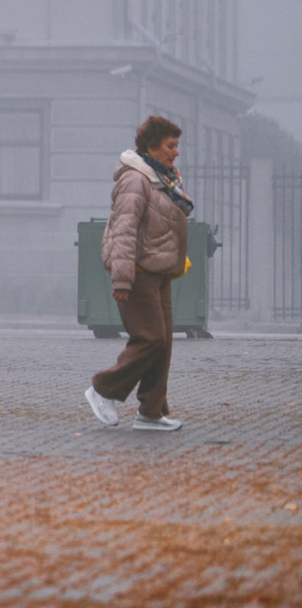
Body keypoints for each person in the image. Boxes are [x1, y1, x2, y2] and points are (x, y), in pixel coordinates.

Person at [85, 115, 194, 432]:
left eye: (176, 146)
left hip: (159, 271)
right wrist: (121, 280)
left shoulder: (163, 179)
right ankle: (102, 390)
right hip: (138, 271)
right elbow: (123, 232)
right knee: (150, 338)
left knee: (163, 344)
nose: (175, 152)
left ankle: (151, 411)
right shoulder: (136, 180)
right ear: (151, 146)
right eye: (170, 146)